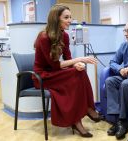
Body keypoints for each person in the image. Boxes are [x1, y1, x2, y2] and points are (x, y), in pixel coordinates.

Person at [33, 4, 102, 138]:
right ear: (56, 18)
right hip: (42, 76)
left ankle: (81, 116)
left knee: (79, 71)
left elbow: (68, 58)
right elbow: (54, 65)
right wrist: (79, 59)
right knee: (75, 75)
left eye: (70, 17)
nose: (70, 20)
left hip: (55, 72)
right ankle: (84, 111)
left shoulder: (64, 35)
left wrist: (77, 64)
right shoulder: (43, 37)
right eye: (66, 17)